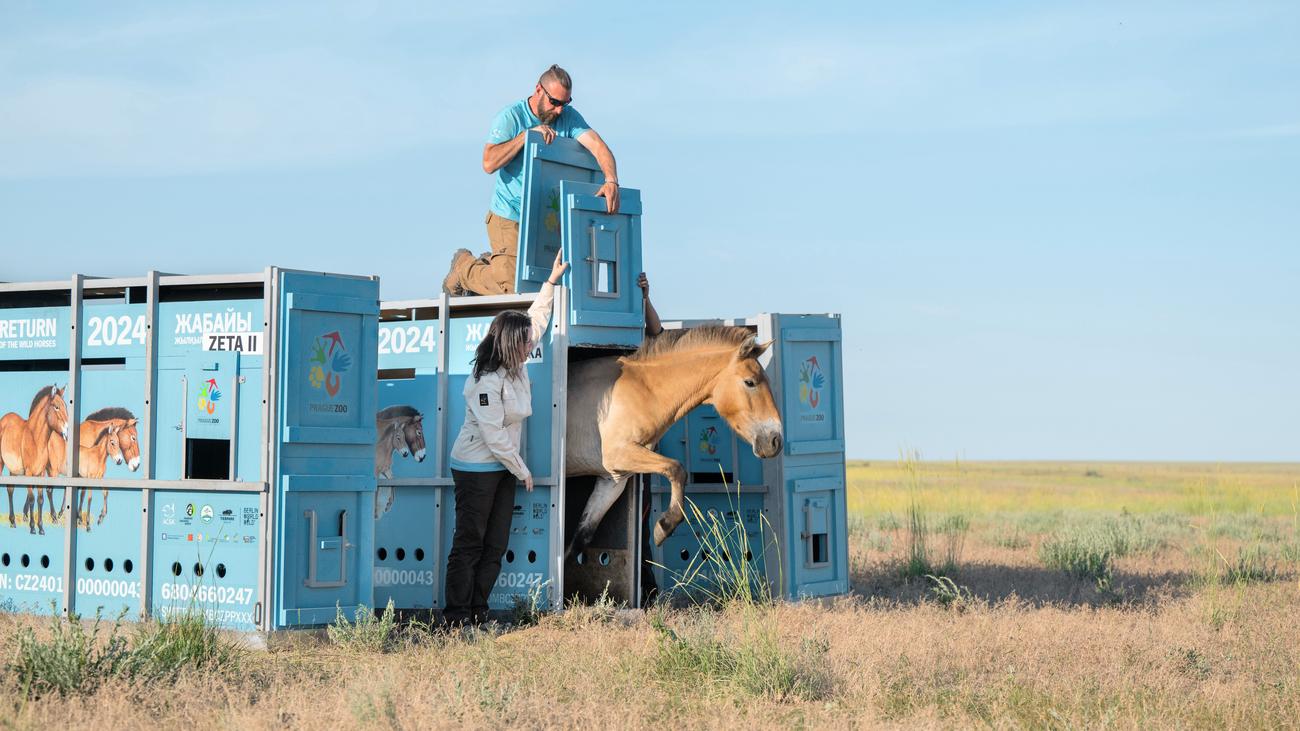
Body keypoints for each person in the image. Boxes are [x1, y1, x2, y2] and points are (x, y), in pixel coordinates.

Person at [443, 249, 567, 626]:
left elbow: (536, 320)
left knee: (496, 545)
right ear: (512, 345)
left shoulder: (516, 363)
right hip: (476, 468)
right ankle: (455, 618)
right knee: (470, 543)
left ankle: (479, 613)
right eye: (527, 343)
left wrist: (550, 282)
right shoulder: (485, 380)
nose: (533, 345)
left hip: (501, 468)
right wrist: (522, 470)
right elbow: (494, 435)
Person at [443, 64, 620, 296]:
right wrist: (526, 137)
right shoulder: (511, 117)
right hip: (509, 215)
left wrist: (611, 181)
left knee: (547, 284)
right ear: (538, 90)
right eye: (554, 102)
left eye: (565, 104)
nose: (558, 110)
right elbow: (489, 163)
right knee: (513, 288)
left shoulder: (569, 118)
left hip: (544, 220)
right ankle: (464, 267)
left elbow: (598, 146)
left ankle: (496, 263)